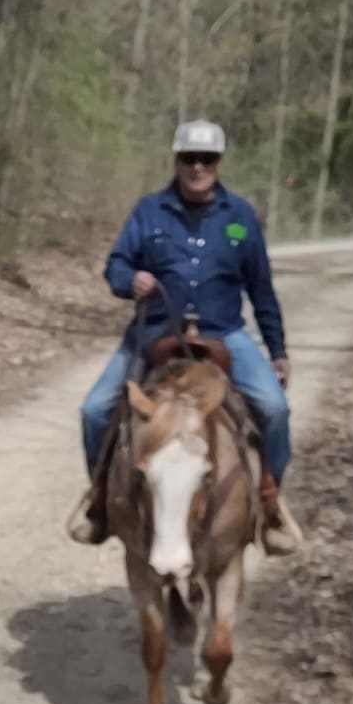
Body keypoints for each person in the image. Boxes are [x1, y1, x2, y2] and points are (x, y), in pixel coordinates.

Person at [66, 119, 302, 556]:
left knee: (274, 408)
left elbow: (261, 289)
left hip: (223, 333)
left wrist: (278, 350)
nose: (198, 167)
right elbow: (116, 264)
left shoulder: (240, 217)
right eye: (189, 158)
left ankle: (269, 504)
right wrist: (129, 279)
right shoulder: (149, 211)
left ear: (218, 163)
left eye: (206, 159)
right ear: (176, 162)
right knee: (94, 410)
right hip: (154, 332)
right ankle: (101, 503)